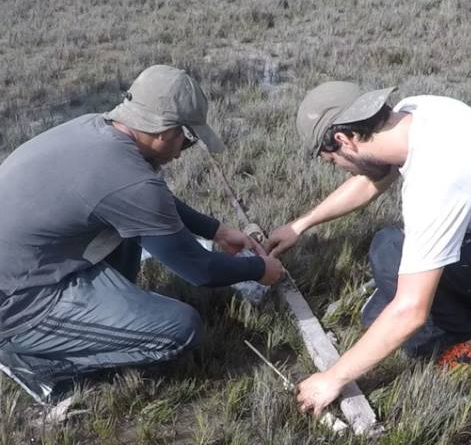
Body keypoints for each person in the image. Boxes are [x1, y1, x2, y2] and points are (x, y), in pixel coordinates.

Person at [266, 82, 471, 417]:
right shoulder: (416, 112)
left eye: (334, 162)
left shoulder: (436, 181)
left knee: (391, 253)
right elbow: (373, 179)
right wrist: (300, 225)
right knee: (377, 311)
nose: (341, 168)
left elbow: (411, 310)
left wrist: (332, 379)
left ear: (343, 140)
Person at [0, 65, 285, 406]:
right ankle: (33, 362)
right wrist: (260, 271)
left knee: (130, 231)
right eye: (187, 139)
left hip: (27, 269)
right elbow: (201, 271)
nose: (181, 153)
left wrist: (216, 230)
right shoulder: (129, 181)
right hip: (17, 308)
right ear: (166, 132)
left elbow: (148, 202)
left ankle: (92, 319)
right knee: (180, 329)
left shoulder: (96, 128)